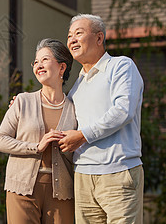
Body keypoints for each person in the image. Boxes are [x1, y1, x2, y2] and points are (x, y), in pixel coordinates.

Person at [58, 14, 144, 223]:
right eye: (70, 35)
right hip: (82, 177)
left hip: (118, 173)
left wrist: (83, 136)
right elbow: (58, 114)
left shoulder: (121, 66)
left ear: (99, 38)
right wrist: (23, 104)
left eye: (79, 33)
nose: (72, 40)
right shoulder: (77, 85)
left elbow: (123, 111)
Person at [0, 38, 77, 224]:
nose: (38, 65)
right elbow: (0, 140)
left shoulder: (75, 108)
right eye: (36, 61)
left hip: (62, 192)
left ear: (62, 68)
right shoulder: (22, 101)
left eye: (45, 60)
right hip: (21, 187)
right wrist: (36, 147)